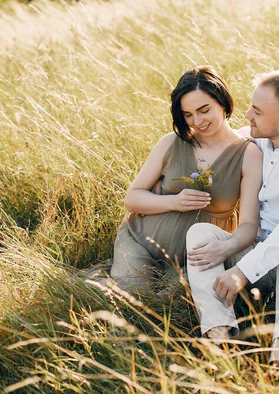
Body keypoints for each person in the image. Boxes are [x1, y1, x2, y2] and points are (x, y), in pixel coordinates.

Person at [186, 70, 279, 372]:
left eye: (256, 111)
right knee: (200, 233)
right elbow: (204, 147)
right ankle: (220, 339)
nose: (246, 116)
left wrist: (242, 271)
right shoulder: (253, 138)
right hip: (258, 248)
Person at [108, 65, 263, 299]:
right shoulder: (172, 142)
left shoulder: (248, 155)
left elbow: (249, 225)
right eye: (188, 115)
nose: (197, 121)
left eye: (204, 110)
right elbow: (132, 198)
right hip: (140, 241)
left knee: (169, 303)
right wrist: (174, 202)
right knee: (133, 297)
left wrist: (226, 248)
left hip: (194, 257)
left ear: (222, 102)